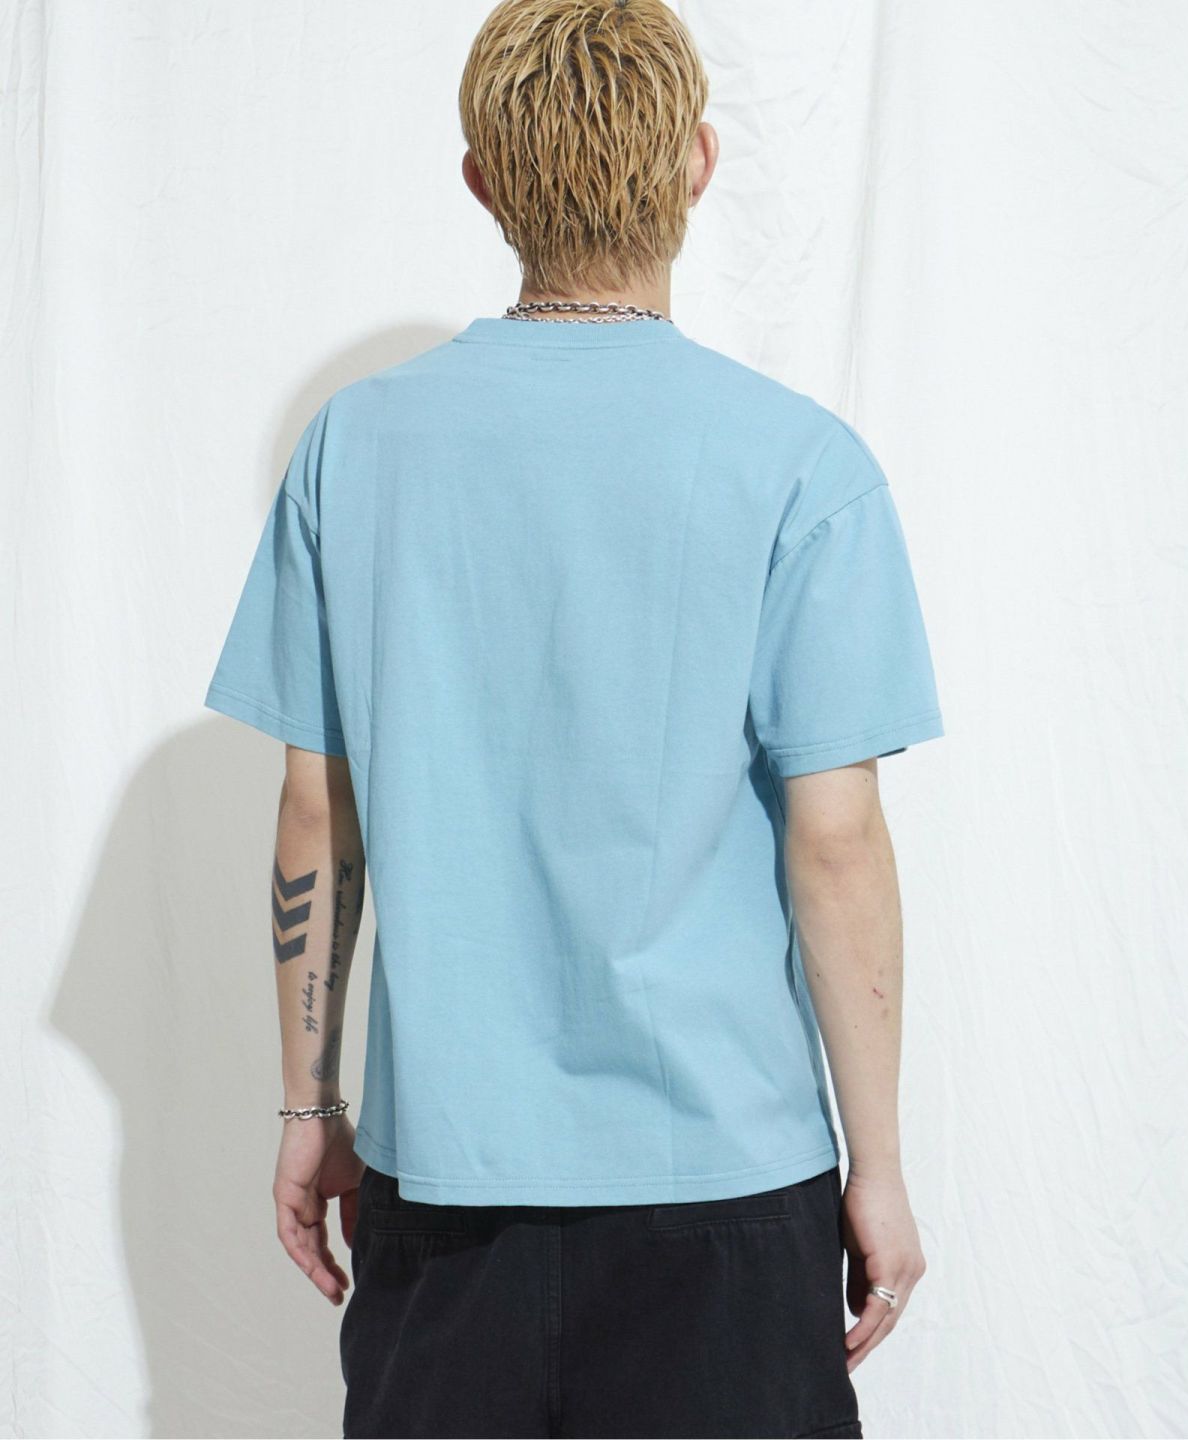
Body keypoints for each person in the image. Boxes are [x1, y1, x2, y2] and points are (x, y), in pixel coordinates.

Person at [203, 2, 945, 1435]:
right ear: (699, 163)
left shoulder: (354, 447)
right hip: (727, 1183)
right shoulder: (803, 467)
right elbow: (836, 840)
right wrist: (881, 1164)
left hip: (446, 1184)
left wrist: (309, 1109)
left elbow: (316, 808)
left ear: (482, 179)